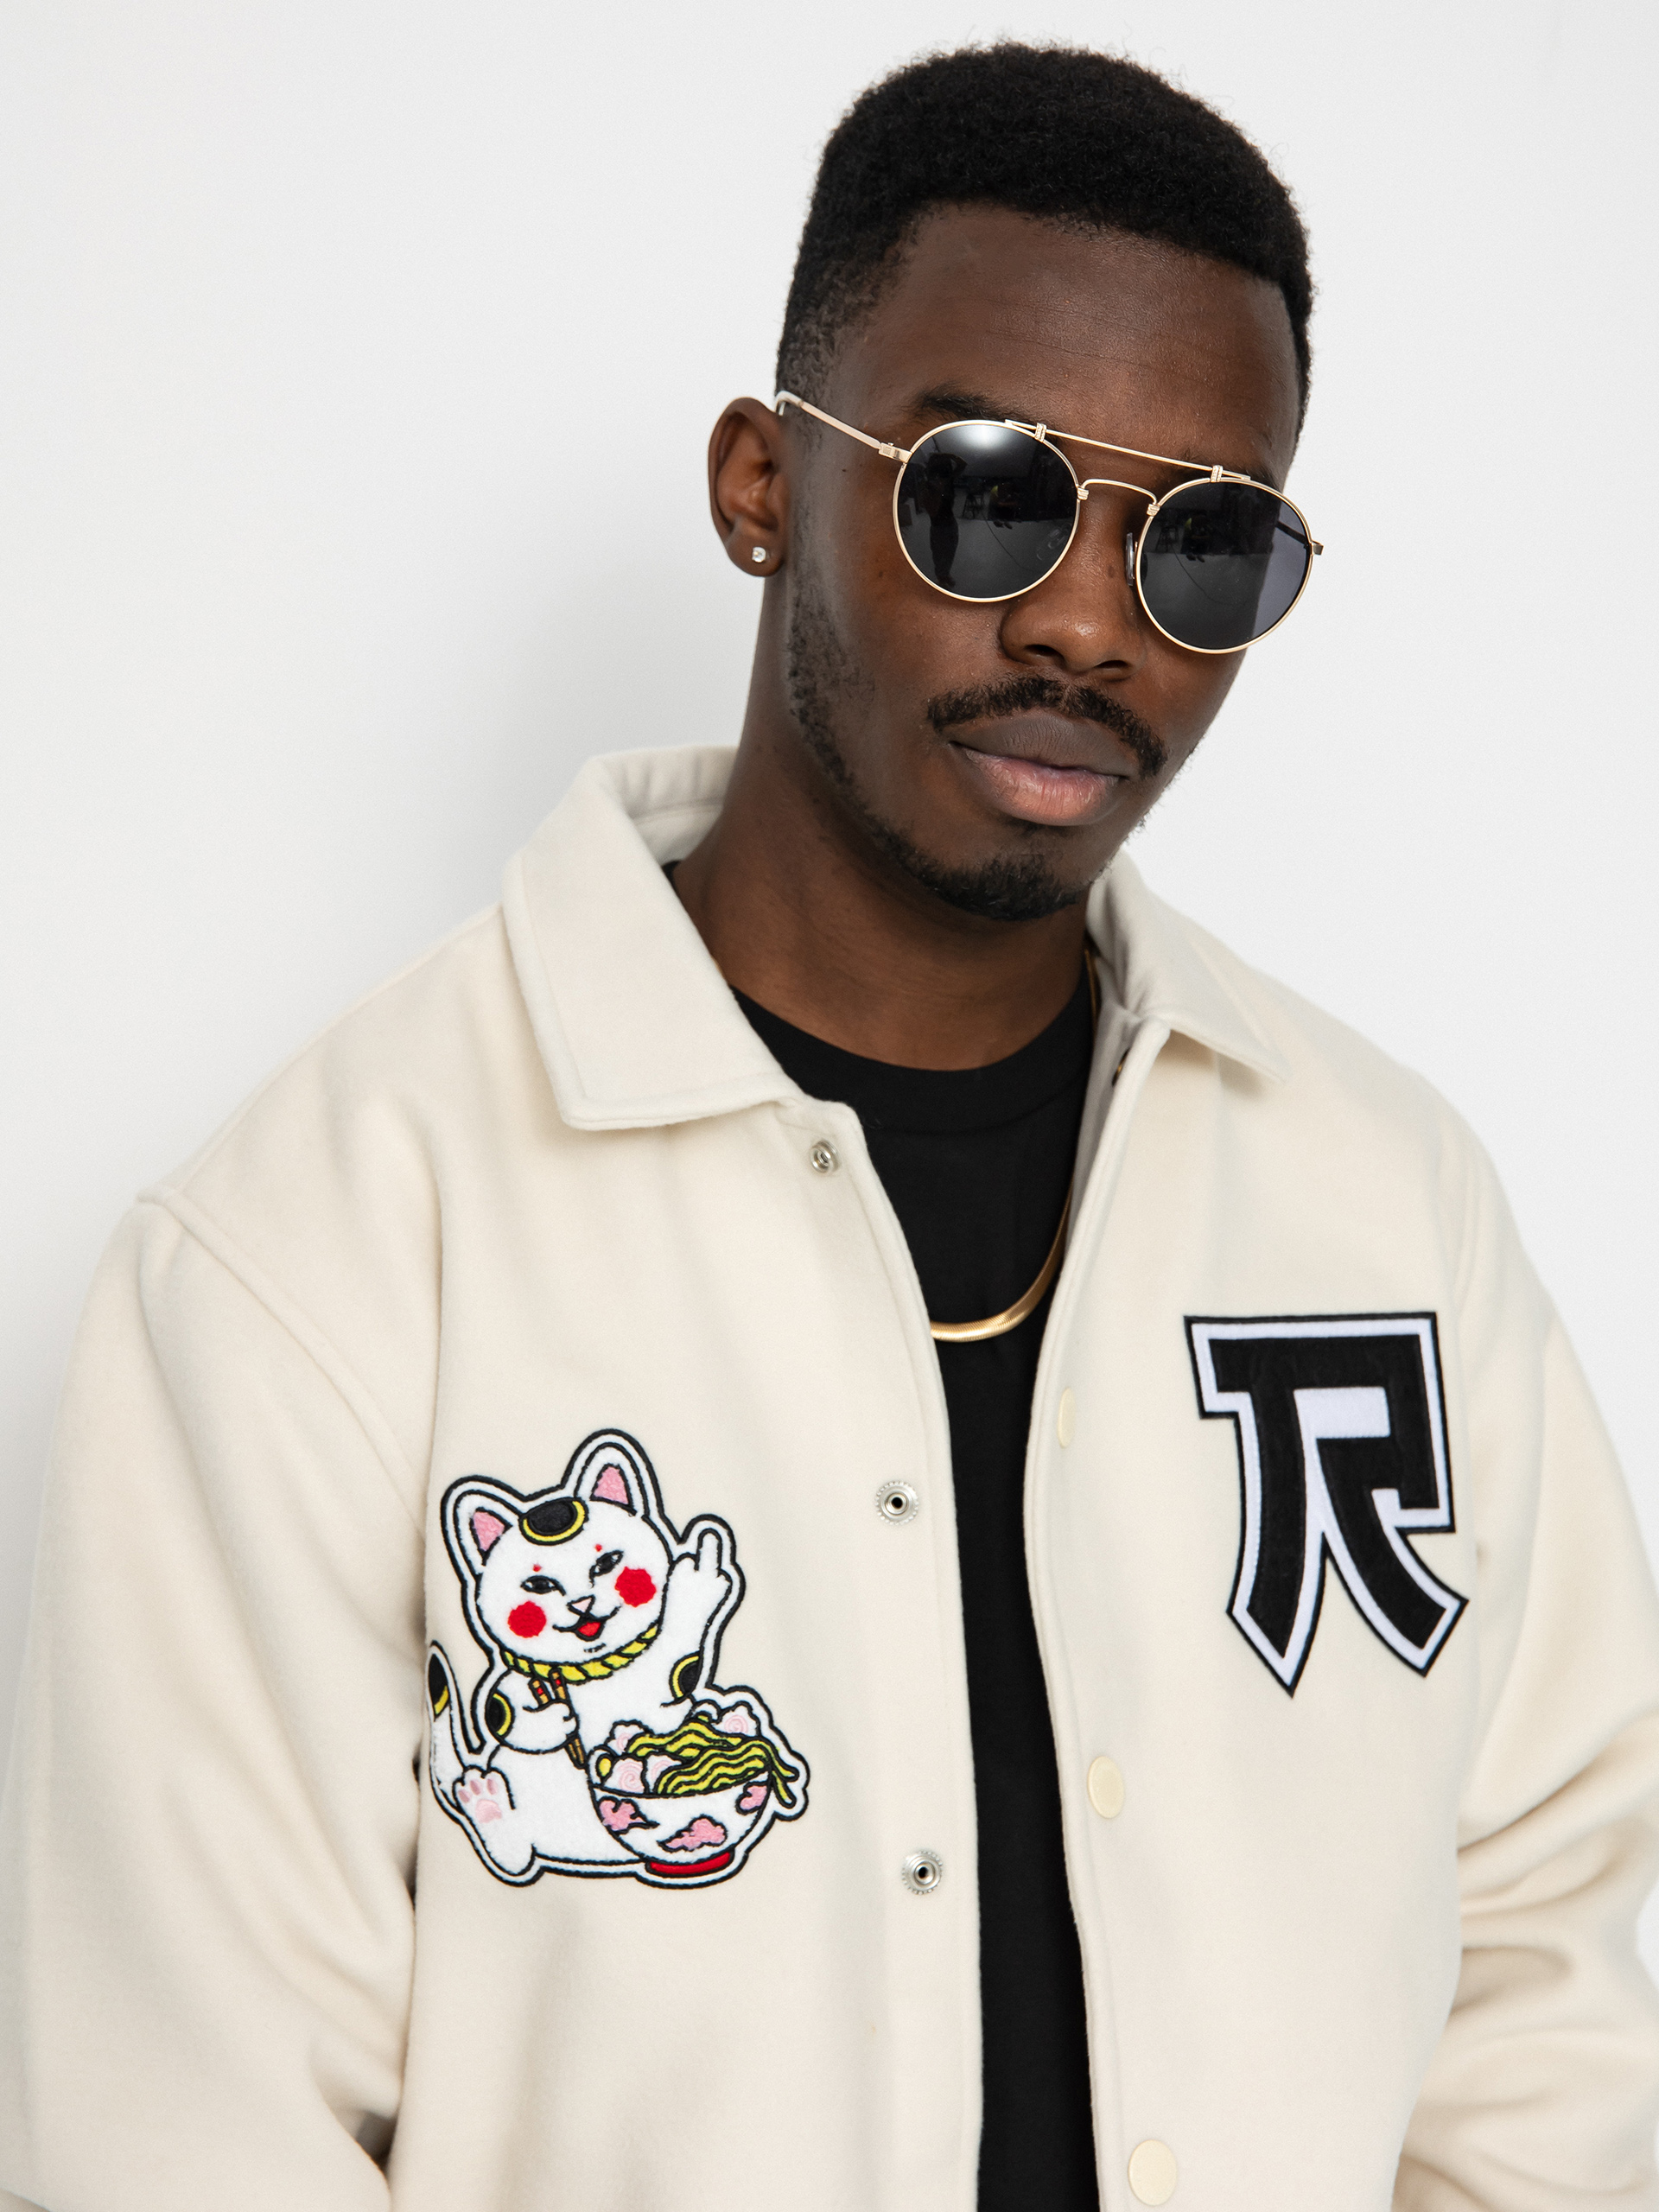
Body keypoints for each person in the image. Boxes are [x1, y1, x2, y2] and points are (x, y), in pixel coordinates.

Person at [3, 41, 1658, 2212]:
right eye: (993, 494)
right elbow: (185, 2128)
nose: (1090, 624)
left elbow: (1551, 1975)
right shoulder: (321, 1249)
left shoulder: (1390, 1205)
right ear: (762, 484)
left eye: (1206, 544)